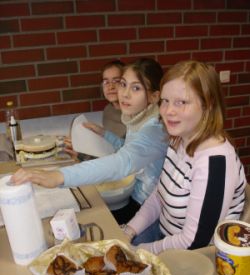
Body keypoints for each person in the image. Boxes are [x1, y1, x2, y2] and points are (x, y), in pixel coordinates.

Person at [11, 58, 168, 224]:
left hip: (147, 208)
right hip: (134, 195)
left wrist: (58, 176)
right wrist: (104, 134)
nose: (125, 93)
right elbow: (130, 149)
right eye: (123, 84)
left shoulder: (154, 129)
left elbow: (123, 162)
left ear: (154, 96)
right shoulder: (138, 117)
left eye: (136, 88)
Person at [122, 60, 246, 254]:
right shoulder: (178, 138)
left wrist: (143, 251)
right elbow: (159, 196)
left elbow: (195, 241)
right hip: (164, 234)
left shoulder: (215, 162)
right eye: (165, 101)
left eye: (182, 102)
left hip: (193, 256)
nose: (168, 111)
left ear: (208, 105)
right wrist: (129, 231)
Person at [64, 60, 126, 160]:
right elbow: (107, 148)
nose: (110, 87)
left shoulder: (132, 116)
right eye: (106, 82)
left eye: (116, 81)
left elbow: (121, 158)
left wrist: (82, 156)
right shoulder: (108, 110)